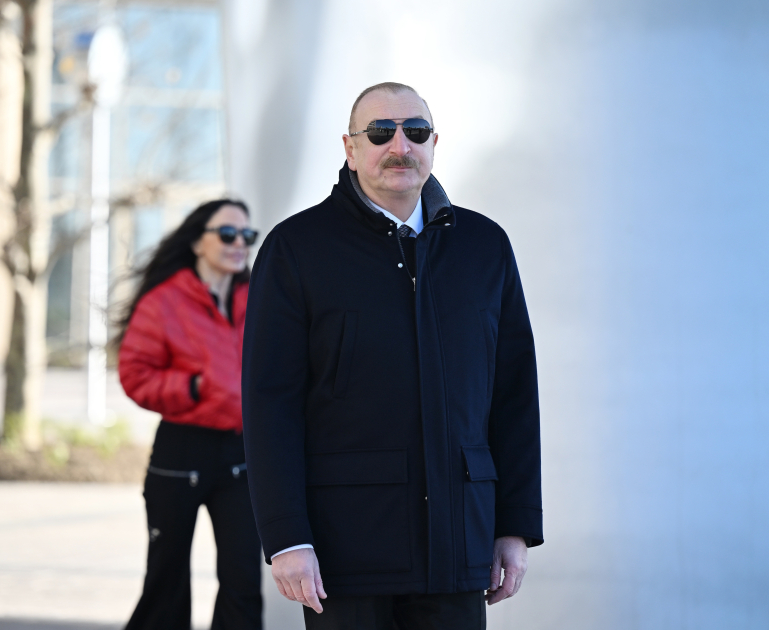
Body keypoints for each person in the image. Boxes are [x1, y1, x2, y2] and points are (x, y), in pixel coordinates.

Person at [242, 82, 543, 630]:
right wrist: (286, 537)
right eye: (380, 132)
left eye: (416, 131)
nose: (400, 146)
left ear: (434, 144)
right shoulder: (297, 247)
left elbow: (514, 395)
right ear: (350, 148)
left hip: (459, 544)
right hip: (345, 549)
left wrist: (515, 525)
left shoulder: (484, 246)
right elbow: (270, 405)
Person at [117, 199, 263, 630]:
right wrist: (193, 387)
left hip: (242, 455)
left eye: (247, 236)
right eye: (228, 234)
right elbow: (135, 375)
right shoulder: (164, 301)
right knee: (167, 579)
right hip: (182, 450)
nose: (239, 244)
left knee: (243, 582)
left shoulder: (261, 297)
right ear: (198, 242)